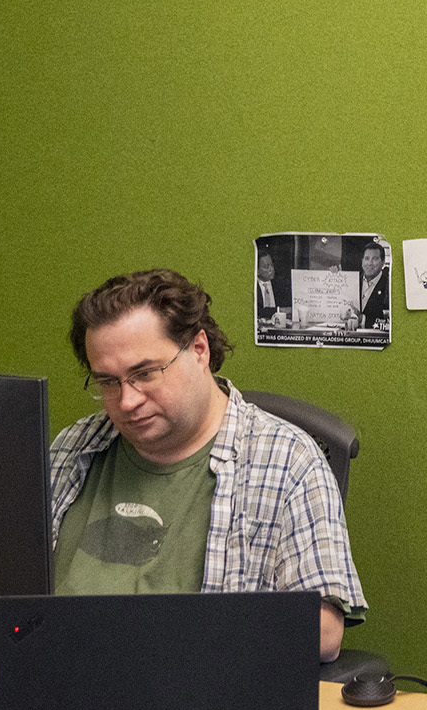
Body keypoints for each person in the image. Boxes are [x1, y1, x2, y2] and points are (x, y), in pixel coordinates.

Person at [48, 268, 366, 661]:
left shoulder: (287, 460)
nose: (127, 401)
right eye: (108, 383)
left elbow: (323, 634)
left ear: (199, 350)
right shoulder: (72, 448)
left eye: (145, 374)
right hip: (59, 685)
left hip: (198, 692)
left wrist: (156, 639)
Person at [354, 241, 391, 329]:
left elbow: (390, 320)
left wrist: (363, 320)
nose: (370, 263)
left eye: (375, 259)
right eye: (366, 258)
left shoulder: (389, 285)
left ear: (383, 262)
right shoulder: (352, 281)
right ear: (362, 261)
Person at [254, 249, 289, 320]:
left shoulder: (281, 284)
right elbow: (258, 311)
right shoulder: (252, 287)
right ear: (257, 271)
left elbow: (287, 307)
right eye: (266, 267)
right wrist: (279, 310)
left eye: (272, 265)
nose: (271, 269)